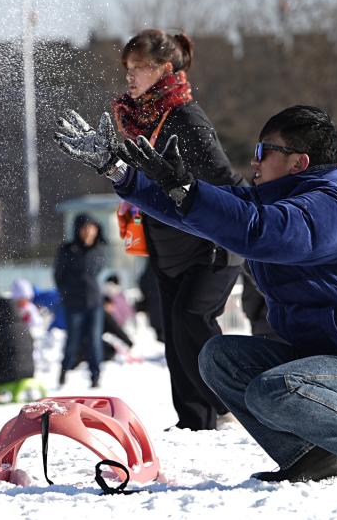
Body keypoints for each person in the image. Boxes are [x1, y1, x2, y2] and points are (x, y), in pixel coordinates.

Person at [54, 103, 337, 485]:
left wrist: (188, 190)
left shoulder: (334, 206)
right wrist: (122, 173)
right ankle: (311, 456)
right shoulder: (273, 199)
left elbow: (265, 232)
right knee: (219, 358)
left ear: (298, 162)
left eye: (264, 151)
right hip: (325, 366)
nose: (254, 162)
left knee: (273, 391)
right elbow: (200, 214)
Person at [109, 29, 244, 430]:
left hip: (209, 245)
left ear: (164, 69)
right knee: (175, 334)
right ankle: (194, 419)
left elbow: (223, 179)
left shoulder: (184, 117)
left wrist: (250, 223)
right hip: (167, 246)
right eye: (127, 69)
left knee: (192, 320)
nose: (130, 77)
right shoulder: (138, 122)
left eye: (139, 68)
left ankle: (229, 405)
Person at [53, 214, 106, 388]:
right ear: (78, 229)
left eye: (92, 228)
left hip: (94, 303)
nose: (89, 232)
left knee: (95, 340)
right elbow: (58, 276)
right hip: (74, 303)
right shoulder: (67, 250)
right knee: (73, 340)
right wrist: (66, 295)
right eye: (85, 228)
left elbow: (96, 272)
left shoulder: (98, 250)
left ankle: (95, 375)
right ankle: (64, 370)